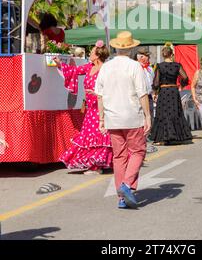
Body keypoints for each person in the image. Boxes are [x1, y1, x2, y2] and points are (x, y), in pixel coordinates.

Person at [95, 31, 151, 210]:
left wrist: (101, 118)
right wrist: (147, 116)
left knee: (119, 157)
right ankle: (126, 185)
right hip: (132, 116)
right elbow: (142, 93)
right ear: (131, 47)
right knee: (138, 152)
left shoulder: (106, 67)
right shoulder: (134, 66)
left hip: (113, 117)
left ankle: (121, 197)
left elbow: (99, 95)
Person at [54, 41, 113, 173]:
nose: (90, 54)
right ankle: (95, 163)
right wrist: (60, 64)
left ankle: (98, 165)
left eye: (91, 52)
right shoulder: (88, 67)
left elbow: (112, 88)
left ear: (97, 55)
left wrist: (98, 93)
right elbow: (73, 71)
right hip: (90, 108)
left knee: (100, 136)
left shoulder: (106, 69)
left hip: (102, 107)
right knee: (89, 136)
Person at [151, 44, 192, 146]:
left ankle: (163, 138)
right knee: (175, 112)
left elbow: (156, 82)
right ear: (171, 55)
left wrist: (155, 91)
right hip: (173, 91)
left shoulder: (159, 66)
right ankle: (177, 136)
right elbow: (185, 77)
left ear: (163, 55)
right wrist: (181, 85)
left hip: (164, 91)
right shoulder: (177, 65)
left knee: (163, 113)